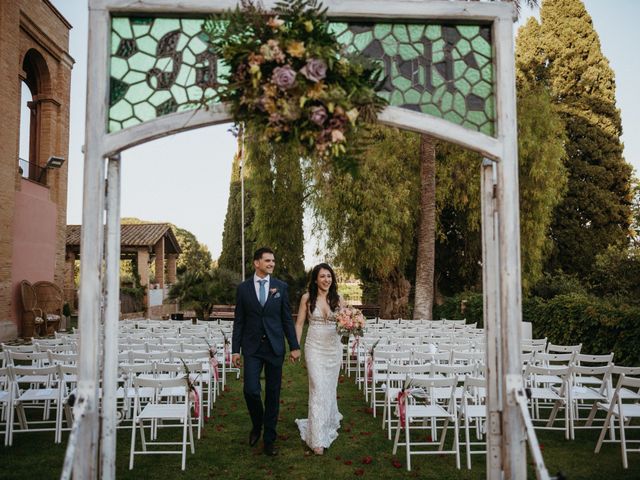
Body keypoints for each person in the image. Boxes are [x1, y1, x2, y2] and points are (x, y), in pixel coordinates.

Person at [232, 247, 301, 456]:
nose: (272, 264)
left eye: (273, 260)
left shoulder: (280, 287)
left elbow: (287, 319)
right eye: (267, 260)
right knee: (250, 390)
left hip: (274, 348)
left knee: (273, 393)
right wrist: (236, 351)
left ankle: (269, 439)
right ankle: (257, 424)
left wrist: (295, 346)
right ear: (256, 263)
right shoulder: (243, 289)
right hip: (252, 348)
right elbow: (239, 321)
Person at [294, 263, 343, 455]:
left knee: (329, 388)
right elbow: (299, 324)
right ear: (316, 279)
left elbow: (345, 321)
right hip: (314, 348)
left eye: (329, 276)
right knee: (318, 387)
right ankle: (316, 439)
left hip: (333, 349)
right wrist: (295, 347)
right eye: (322, 276)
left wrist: (351, 325)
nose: (326, 280)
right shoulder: (307, 298)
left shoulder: (338, 299)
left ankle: (326, 421)